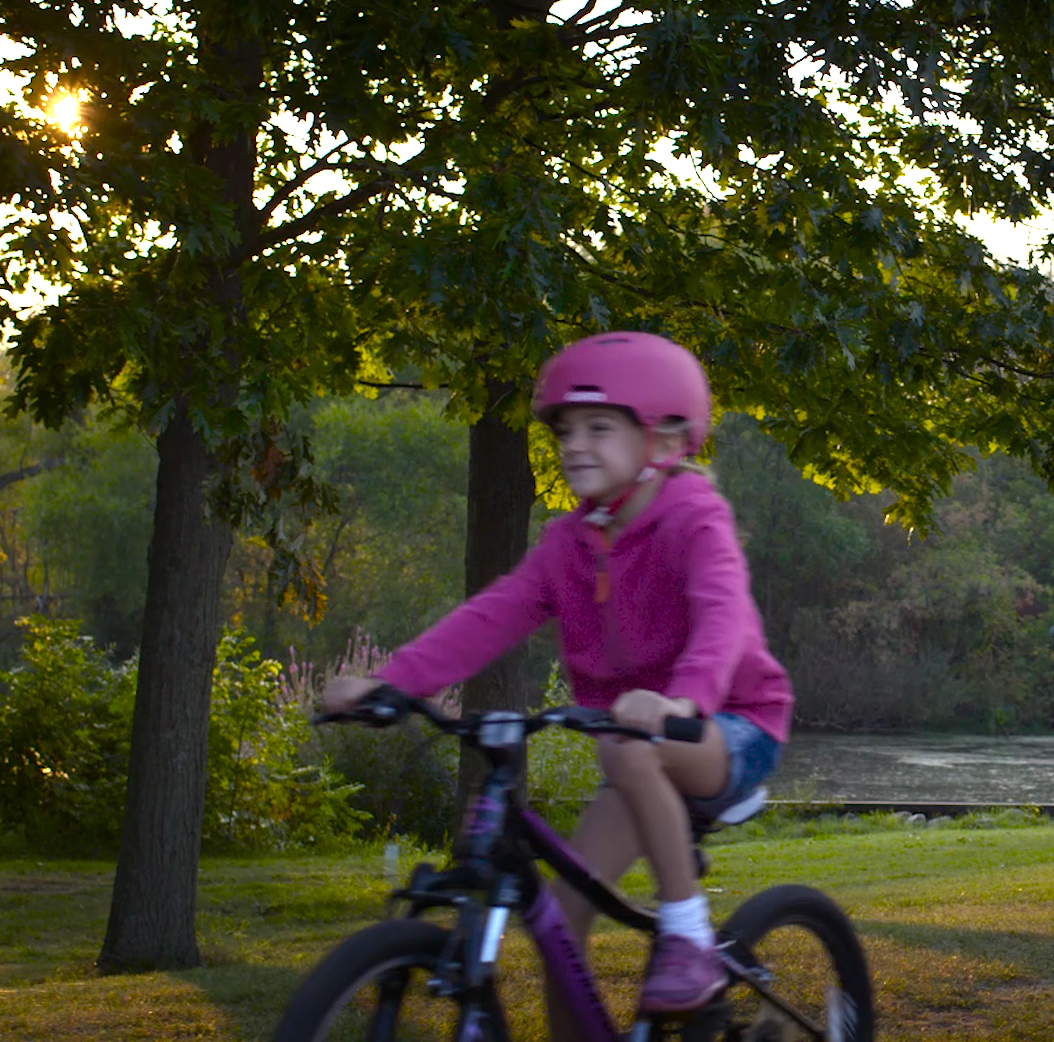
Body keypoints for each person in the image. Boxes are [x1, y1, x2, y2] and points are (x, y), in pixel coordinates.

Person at [322, 332, 793, 1025]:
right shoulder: (567, 545)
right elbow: (489, 617)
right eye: (566, 430)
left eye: (600, 428)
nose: (575, 445)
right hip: (636, 743)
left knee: (627, 749)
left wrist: (679, 700)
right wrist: (391, 683)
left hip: (730, 724)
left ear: (662, 441)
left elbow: (722, 617)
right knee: (559, 923)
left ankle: (688, 935)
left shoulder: (694, 517)